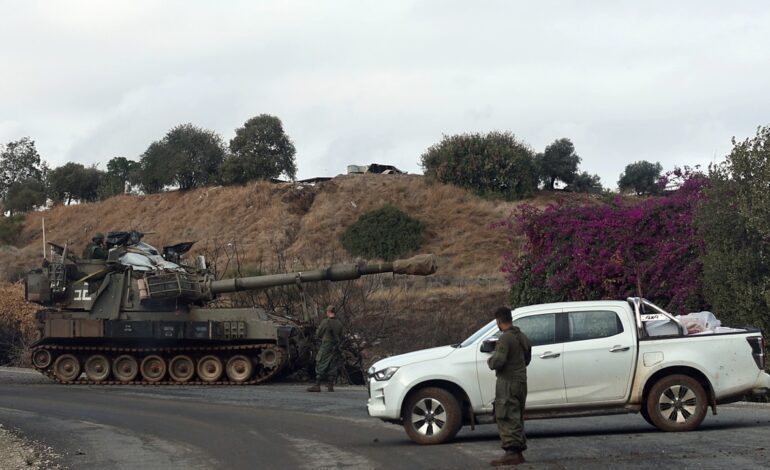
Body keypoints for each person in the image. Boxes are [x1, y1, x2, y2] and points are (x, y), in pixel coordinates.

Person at [487, 306, 532, 467]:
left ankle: (511, 453)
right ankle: (518, 452)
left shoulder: (505, 338)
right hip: (521, 382)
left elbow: (498, 361)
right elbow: (527, 358)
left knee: (505, 414)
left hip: (508, 382)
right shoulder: (521, 336)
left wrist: (490, 361)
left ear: (498, 321)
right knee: (516, 415)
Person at [307, 305, 344, 392]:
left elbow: (318, 334)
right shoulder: (339, 323)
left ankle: (317, 385)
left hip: (326, 344)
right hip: (335, 346)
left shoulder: (325, 322)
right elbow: (341, 336)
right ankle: (330, 386)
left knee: (321, 361)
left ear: (328, 312)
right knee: (332, 363)